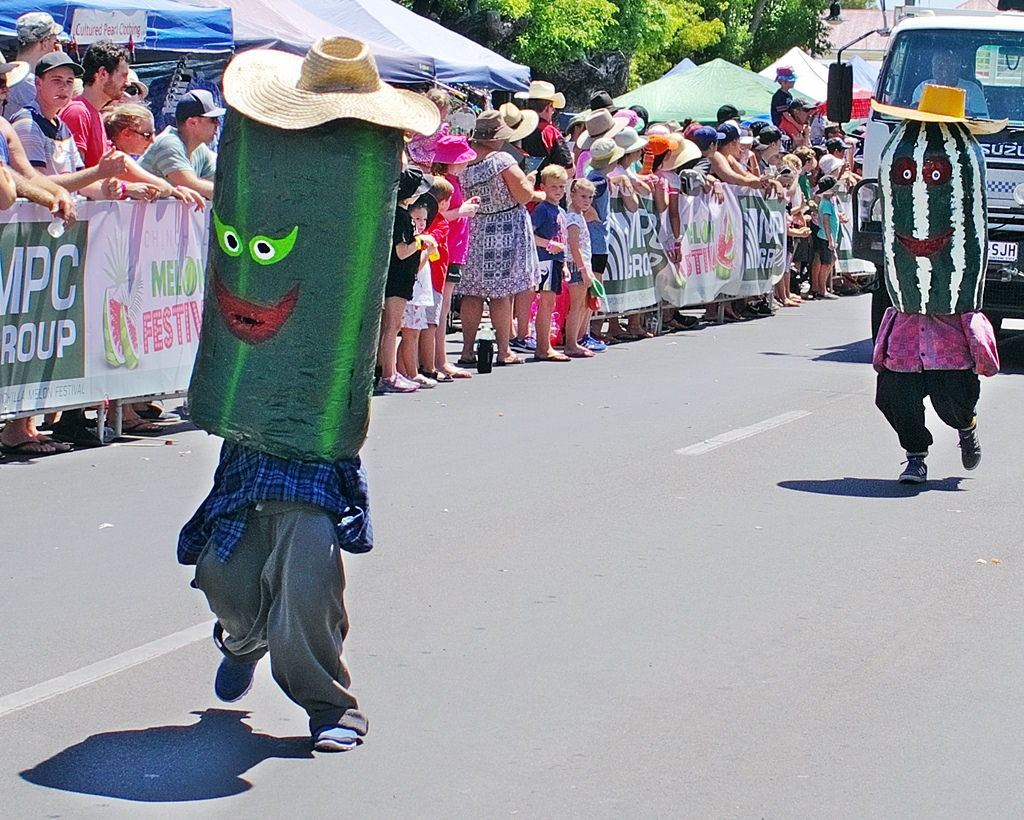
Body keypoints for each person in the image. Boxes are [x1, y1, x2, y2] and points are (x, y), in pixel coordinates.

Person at [179, 35, 442, 753]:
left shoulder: (368, 167)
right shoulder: (261, 153)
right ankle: (241, 640)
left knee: (308, 572)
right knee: (226, 576)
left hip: (316, 438)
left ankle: (330, 706)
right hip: (250, 427)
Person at [62, 40, 203, 208]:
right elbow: (76, 179)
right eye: (123, 75)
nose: (127, 83)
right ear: (102, 74)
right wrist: (127, 188)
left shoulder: (94, 114)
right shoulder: (78, 112)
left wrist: (171, 190)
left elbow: (119, 165)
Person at [455, 110, 543, 368]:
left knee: (471, 293)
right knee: (501, 293)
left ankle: (467, 350)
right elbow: (523, 195)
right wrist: (530, 183)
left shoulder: (464, 159)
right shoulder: (501, 160)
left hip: (472, 226)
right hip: (502, 228)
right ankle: (504, 350)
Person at [10, 52, 125, 198]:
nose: (64, 87)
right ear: (38, 83)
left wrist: (107, 190)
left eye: (69, 81)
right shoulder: (27, 123)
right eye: (57, 80)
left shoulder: (61, 126)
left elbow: (79, 181)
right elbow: (36, 183)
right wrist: (98, 172)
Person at [377, 166, 434, 394]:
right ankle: (388, 375)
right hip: (396, 279)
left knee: (394, 325)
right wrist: (420, 241)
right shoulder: (401, 217)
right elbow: (401, 252)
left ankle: (389, 371)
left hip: (403, 279)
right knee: (392, 326)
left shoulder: (401, 215)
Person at [431, 134, 478, 379]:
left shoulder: (451, 181)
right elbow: (437, 216)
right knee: (441, 306)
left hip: (454, 249)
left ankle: (437, 360)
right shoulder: (443, 183)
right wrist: (462, 210)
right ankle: (439, 361)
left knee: (443, 307)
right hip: (445, 250)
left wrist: (462, 208)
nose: (465, 163)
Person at [138, 89, 222, 199]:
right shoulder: (168, 143)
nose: (218, 124)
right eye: (213, 120)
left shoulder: (199, 149)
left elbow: (217, 183)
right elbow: (191, 185)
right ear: (192, 122)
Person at [531, 164, 571, 362]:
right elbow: (529, 233)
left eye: (562, 187)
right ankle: (543, 347)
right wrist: (547, 244)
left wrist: (563, 264)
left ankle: (545, 344)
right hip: (544, 260)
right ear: (543, 187)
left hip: (555, 261)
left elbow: (562, 239)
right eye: (554, 187)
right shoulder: (542, 210)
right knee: (546, 304)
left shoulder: (560, 211)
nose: (558, 191)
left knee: (551, 303)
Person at [563, 177, 597, 357]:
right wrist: (583, 270)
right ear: (572, 195)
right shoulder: (573, 218)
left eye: (590, 197)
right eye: (583, 196)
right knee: (576, 306)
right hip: (576, 265)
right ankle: (571, 344)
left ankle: (577, 339)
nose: (587, 201)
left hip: (583, 263)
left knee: (583, 305)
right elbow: (574, 247)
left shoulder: (580, 216)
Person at [5, 12, 62, 116]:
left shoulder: (7, 73)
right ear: (45, 43)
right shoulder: (31, 83)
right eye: (55, 42)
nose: (56, 48)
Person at [516, 80, 572, 174]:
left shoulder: (515, 126)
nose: (553, 110)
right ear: (547, 107)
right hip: (544, 186)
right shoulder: (549, 131)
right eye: (552, 107)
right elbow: (568, 168)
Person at [912, 49, 988, 117]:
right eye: (937, 62)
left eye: (947, 63)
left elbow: (982, 122)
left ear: (957, 68)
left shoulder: (973, 90)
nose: (940, 67)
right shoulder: (923, 88)